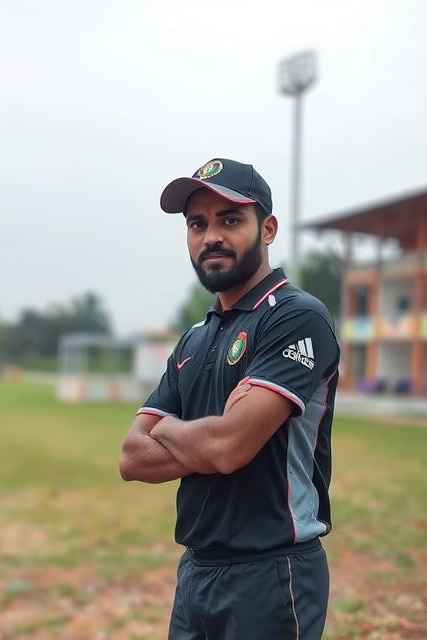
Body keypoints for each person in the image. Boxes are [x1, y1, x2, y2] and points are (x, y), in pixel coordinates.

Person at [119, 157, 340, 640]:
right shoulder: (195, 339)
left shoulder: (296, 317)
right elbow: (132, 457)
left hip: (272, 572)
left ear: (268, 229)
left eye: (230, 219)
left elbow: (228, 447)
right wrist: (211, 434)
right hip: (196, 572)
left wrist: (171, 430)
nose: (211, 236)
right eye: (197, 224)